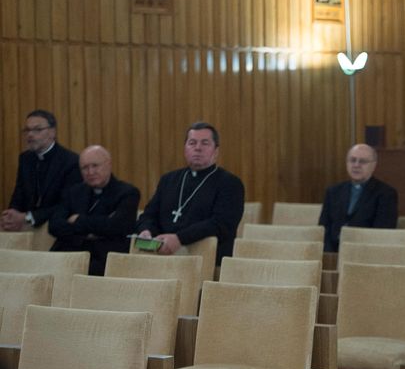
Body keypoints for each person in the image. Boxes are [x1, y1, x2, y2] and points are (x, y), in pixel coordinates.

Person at [136, 122, 244, 264]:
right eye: (192, 143)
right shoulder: (169, 180)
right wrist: (146, 230)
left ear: (216, 151)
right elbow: (149, 215)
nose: (198, 148)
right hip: (161, 258)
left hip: (205, 260)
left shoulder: (230, 183)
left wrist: (179, 238)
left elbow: (221, 224)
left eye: (205, 143)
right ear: (185, 149)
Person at [49, 146, 140, 275]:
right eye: (85, 168)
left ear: (108, 165)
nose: (90, 172)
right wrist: (90, 232)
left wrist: (77, 220)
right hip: (71, 252)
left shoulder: (127, 193)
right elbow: (54, 225)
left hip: (103, 258)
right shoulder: (74, 192)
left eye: (95, 166)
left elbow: (117, 227)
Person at [1, 110, 80, 232]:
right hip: (26, 224)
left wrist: (28, 217)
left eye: (37, 130)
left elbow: (67, 204)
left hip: (54, 227)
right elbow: (19, 193)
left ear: (52, 132)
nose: (30, 135)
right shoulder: (25, 158)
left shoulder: (70, 161)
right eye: (27, 130)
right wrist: (12, 214)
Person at [319, 143, 398, 252]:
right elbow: (323, 229)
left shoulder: (386, 194)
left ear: (374, 165)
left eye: (362, 161)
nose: (356, 165)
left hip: (367, 253)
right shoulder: (333, 192)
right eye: (352, 160)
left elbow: (383, 233)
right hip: (333, 253)